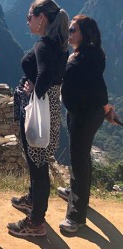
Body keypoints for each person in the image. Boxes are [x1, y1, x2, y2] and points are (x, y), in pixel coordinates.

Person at [9, 0, 69, 237]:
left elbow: (43, 75)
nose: (27, 22)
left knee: (38, 166)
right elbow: (55, 76)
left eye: (29, 17)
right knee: (40, 161)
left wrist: (34, 90)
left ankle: (36, 223)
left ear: (41, 17)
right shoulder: (60, 45)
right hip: (52, 110)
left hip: (39, 110)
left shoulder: (44, 45)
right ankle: (33, 200)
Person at [58, 15, 119, 233]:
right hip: (77, 110)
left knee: (79, 158)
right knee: (80, 156)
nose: (70, 33)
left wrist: (106, 109)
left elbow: (98, 85)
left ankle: (76, 216)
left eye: (73, 30)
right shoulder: (79, 53)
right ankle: (77, 192)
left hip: (86, 114)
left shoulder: (91, 54)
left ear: (84, 33)